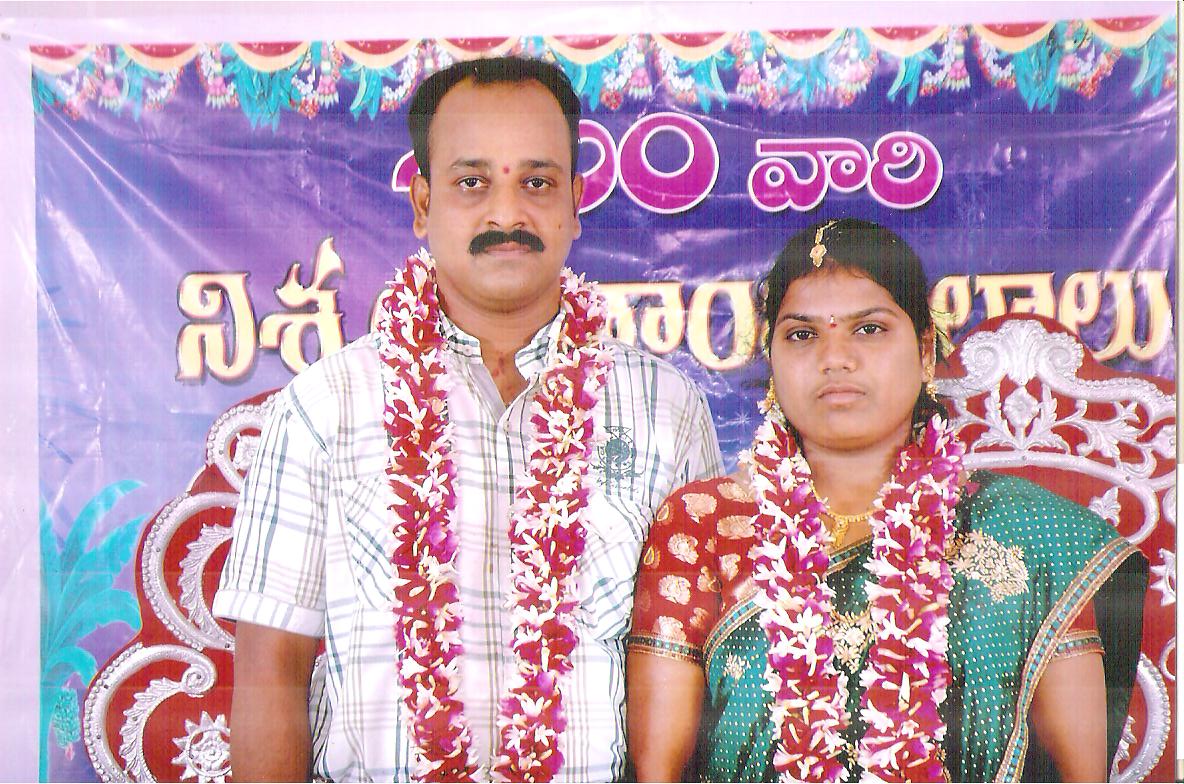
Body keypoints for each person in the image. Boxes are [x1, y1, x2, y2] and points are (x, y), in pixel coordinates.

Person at [213, 56, 722, 782]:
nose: (506, 215)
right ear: (423, 203)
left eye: (536, 183)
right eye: (472, 182)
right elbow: (272, 668)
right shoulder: (325, 406)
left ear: (575, 201)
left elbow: (697, 672)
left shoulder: (667, 411)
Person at [626, 218, 1147, 783]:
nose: (835, 357)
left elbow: (1080, 775)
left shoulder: (1033, 533)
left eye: (869, 329)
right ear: (770, 359)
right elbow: (658, 774)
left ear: (924, 352)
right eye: (802, 334)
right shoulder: (704, 524)